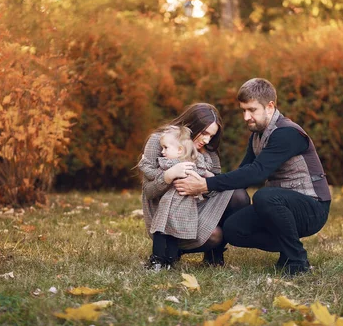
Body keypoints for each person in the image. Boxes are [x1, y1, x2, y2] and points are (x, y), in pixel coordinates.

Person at [175, 78, 331, 277]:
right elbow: (244, 173)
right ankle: (285, 247)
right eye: (243, 110)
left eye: (251, 110)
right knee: (233, 229)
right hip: (282, 206)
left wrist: (205, 185)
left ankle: (297, 261)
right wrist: (208, 179)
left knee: (264, 196)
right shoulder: (258, 135)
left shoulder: (287, 133)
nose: (246, 116)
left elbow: (257, 173)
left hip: (313, 206)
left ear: (270, 106)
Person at [139, 103, 250, 270]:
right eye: (204, 133)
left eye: (211, 136)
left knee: (239, 196)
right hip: (166, 211)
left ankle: (214, 255)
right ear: (191, 126)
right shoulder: (161, 141)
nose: (206, 140)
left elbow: (214, 187)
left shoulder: (208, 152)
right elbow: (149, 192)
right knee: (214, 236)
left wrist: (202, 185)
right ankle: (168, 251)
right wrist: (169, 175)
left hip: (195, 206)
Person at [137, 125, 209, 269]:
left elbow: (153, 174)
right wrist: (197, 154)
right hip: (185, 208)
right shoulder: (191, 164)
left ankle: (157, 260)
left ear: (179, 150)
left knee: (160, 232)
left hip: (169, 204)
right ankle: (170, 261)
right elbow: (203, 169)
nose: (162, 152)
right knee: (173, 235)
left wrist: (143, 163)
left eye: (165, 148)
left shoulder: (169, 163)